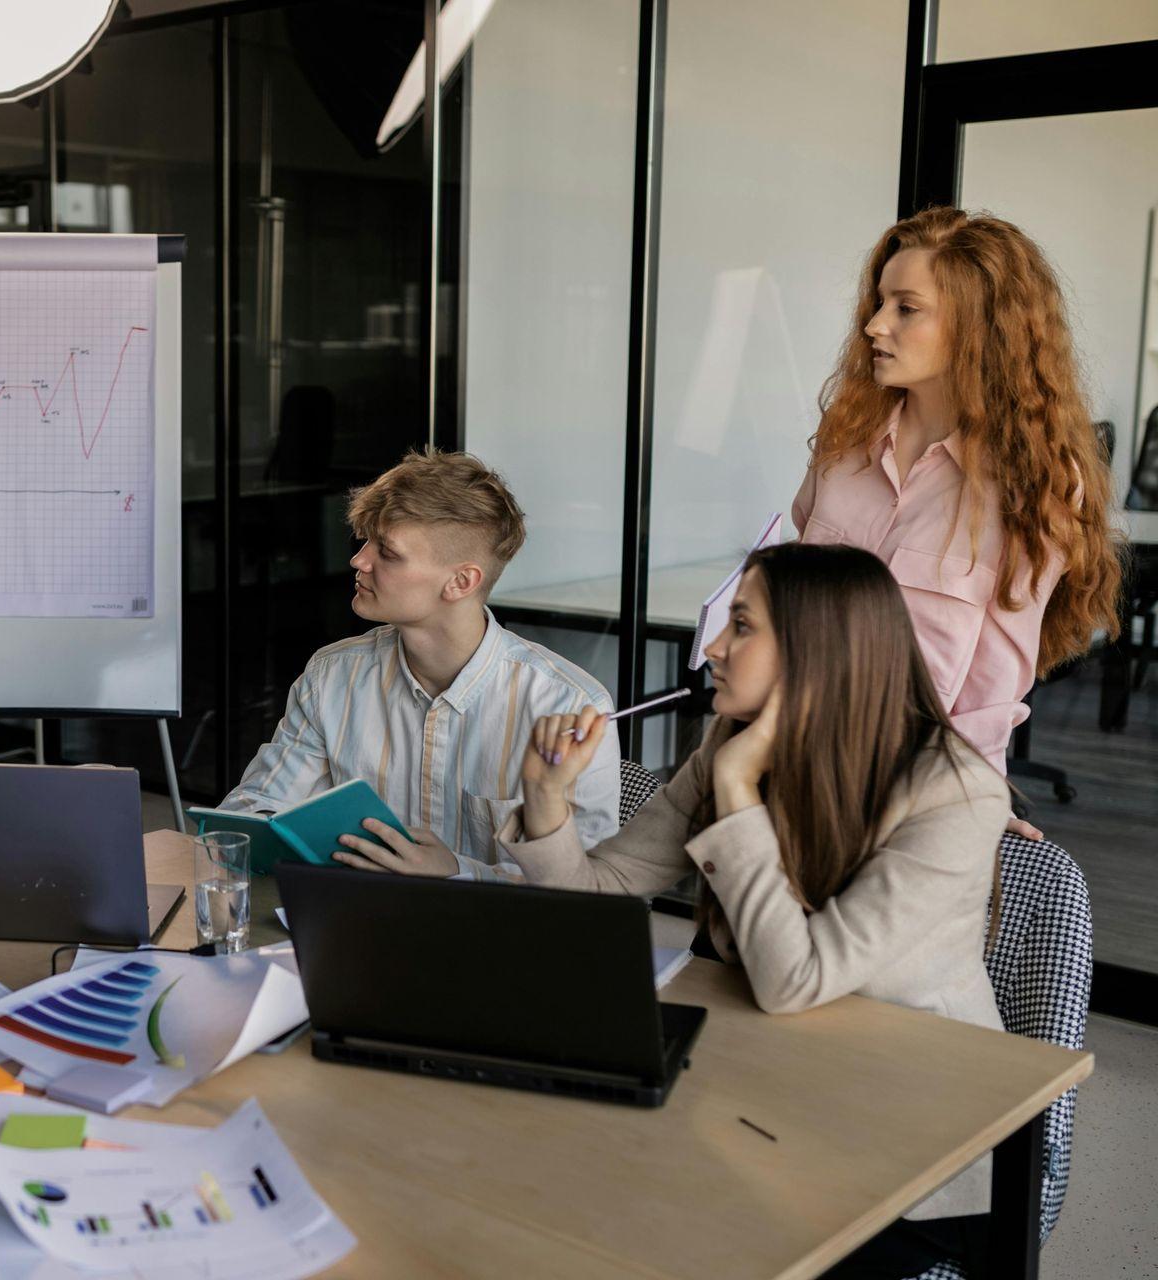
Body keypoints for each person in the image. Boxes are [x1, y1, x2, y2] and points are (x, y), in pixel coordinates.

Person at [504, 542, 1008, 1278]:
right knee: (553, 1185)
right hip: (763, 1090)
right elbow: (601, 894)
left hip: (909, 1146)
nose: (711, 647)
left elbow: (796, 981)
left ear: (816, 649)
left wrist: (740, 791)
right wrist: (546, 803)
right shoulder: (728, 742)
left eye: (741, 625)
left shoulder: (953, 791)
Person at [791, 207, 1121, 834]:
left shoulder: (1036, 483)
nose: (874, 324)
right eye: (880, 301)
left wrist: (968, 810)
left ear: (979, 326)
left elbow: (994, 679)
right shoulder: (844, 443)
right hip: (785, 760)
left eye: (905, 308)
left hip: (910, 797)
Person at [224, 447, 620, 880]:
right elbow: (252, 812)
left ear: (461, 581)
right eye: (365, 543)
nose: (359, 561)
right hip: (356, 921)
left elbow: (592, 889)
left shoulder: (568, 704)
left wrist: (458, 872)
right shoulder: (331, 676)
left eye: (388, 553)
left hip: (498, 941)